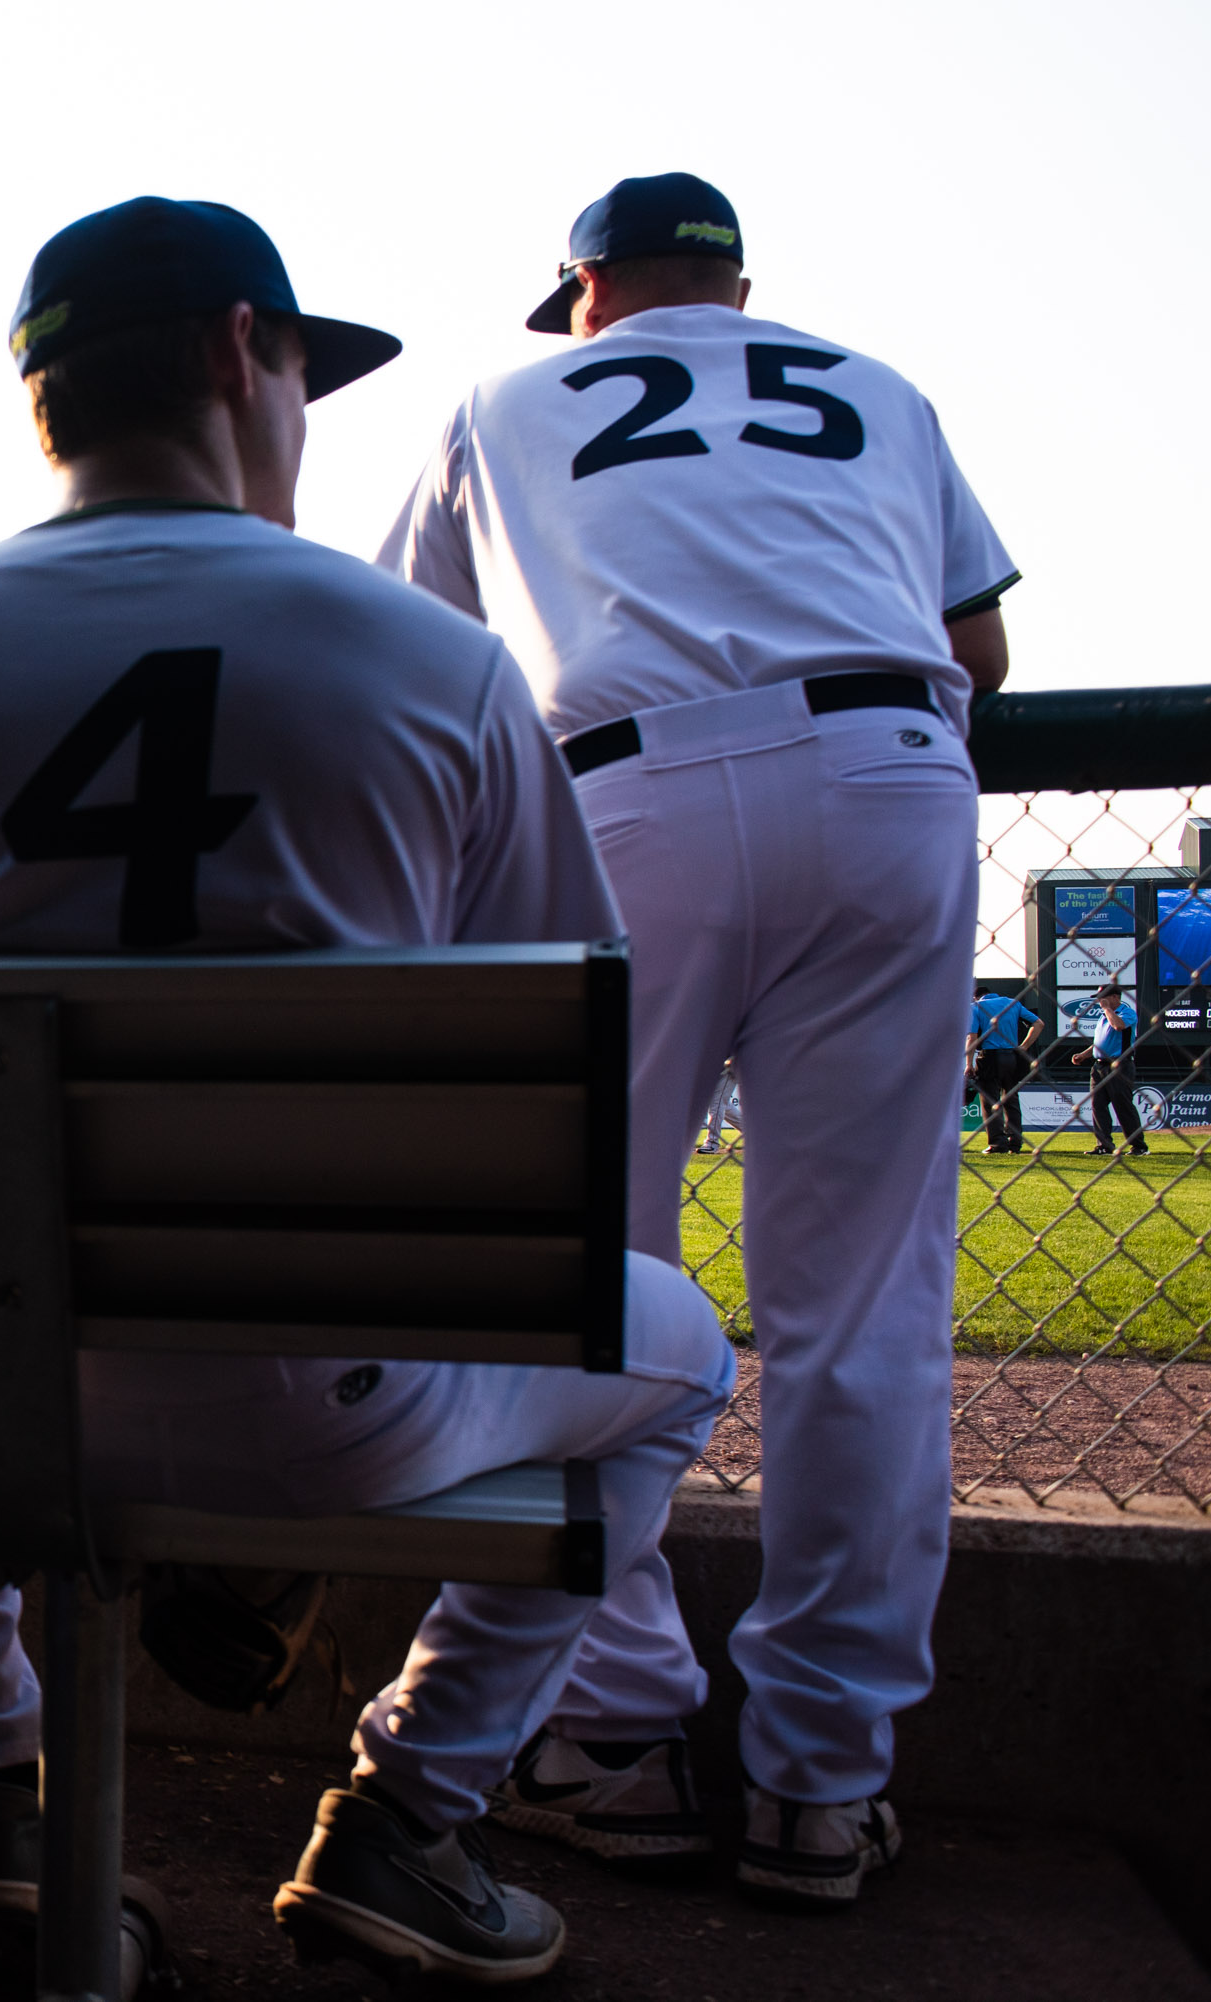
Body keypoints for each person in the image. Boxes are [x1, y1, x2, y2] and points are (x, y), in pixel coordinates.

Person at [0, 196, 733, 1987]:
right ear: (229, 354)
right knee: (678, 1347)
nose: (300, 415)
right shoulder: (435, 660)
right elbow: (558, 1129)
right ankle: (409, 1818)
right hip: (328, 1407)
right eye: (298, 370)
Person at [379, 173, 1017, 1907]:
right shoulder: (873, 383)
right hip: (892, 775)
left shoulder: (502, 402)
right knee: (865, 1303)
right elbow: (982, 646)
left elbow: (413, 667)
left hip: (625, 797)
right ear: (740, 280)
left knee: (589, 1276)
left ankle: (618, 1726)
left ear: (587, 287)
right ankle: (821, 1779)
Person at [1073, 981, 1146, 1157]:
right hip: (1099, 1065)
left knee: (1123, 1106)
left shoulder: (1126, 1012)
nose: (1099, 1002)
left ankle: (1138, 1146)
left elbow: (1119, 1026)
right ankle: (1104, 1145)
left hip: (1119, 1064)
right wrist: (1084, 1054)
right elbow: (1099, 1042)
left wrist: (1107, 1009)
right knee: (1098, 1105)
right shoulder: (1103, 1017)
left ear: (1115, 997)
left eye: (1102, 998)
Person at [967, 989, 1044, 1153]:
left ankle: (997, 1143)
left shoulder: (976, 1007)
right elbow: (1039, 1024)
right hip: (1012, 1056)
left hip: (989, 1057)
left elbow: (971, 1037)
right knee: (1011, 1100)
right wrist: (1023, 1047)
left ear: (976, 996)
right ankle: (1014, 1142)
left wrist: (969, 1063)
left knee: (990, 1102)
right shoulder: (1012, 1003)